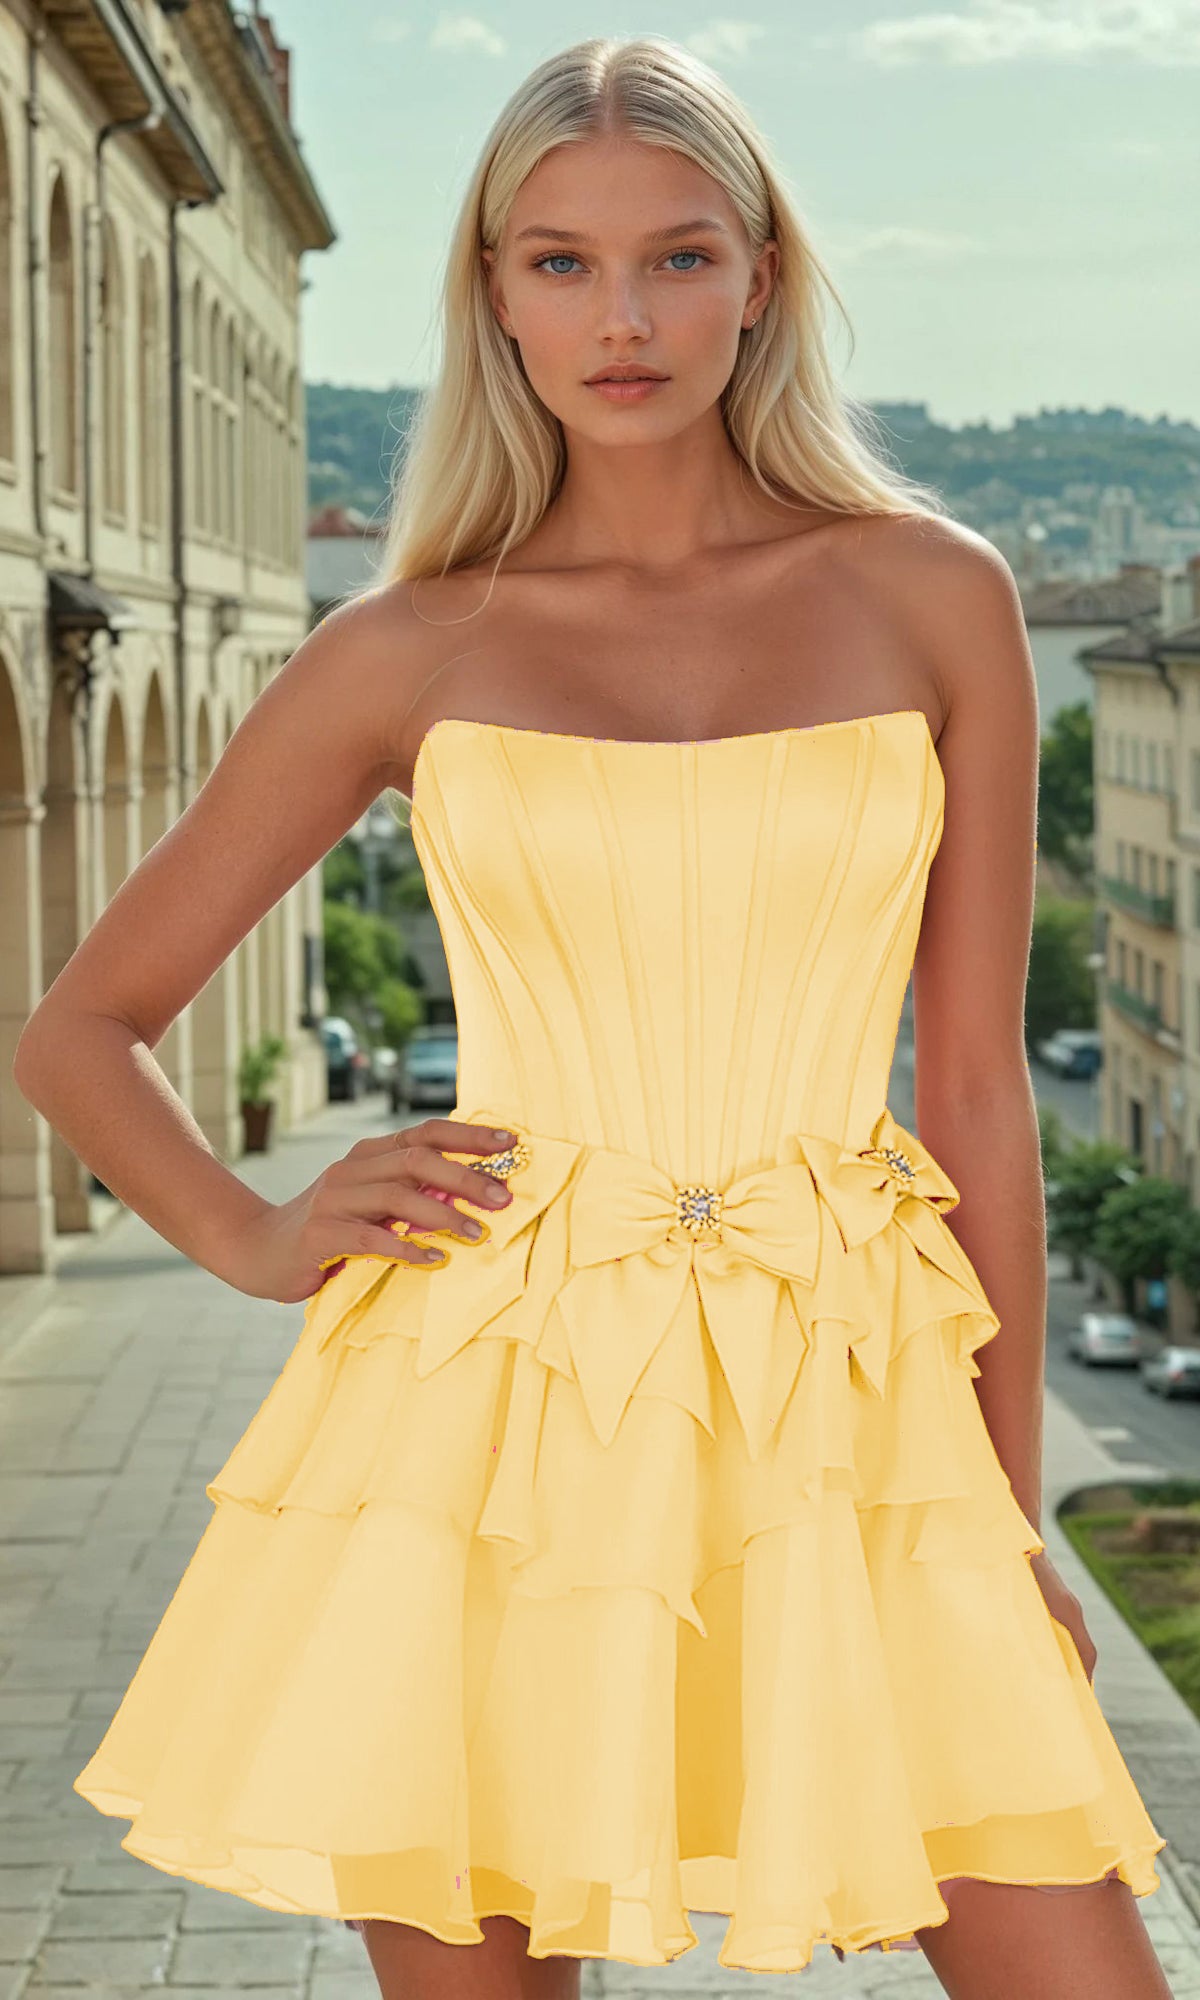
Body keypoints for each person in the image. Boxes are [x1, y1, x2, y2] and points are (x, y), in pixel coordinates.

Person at [13, 32, 1172, 2000]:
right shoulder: (405, 648)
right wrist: (262, 1228)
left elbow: (978, 1094)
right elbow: (80, 1025)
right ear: (491, 298)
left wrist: (1005, 1511)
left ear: (764, 276)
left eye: (678, 256)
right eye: (559, 262)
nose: (622, 317)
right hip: (484, 1398)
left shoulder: (933, 595)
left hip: (851, 1389)